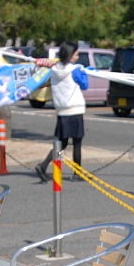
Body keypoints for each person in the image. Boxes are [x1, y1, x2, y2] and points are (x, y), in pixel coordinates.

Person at [34, 42, 86, 182]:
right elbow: (84, 85)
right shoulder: (74, 70)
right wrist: (84, 72)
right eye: (76, 54)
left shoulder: (54, 69)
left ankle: (44, 165)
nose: (77, 57)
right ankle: (77, 173)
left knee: (61, 143)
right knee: (77, 143)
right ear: (70, 55)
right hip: (74, 109)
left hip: (62, 111)